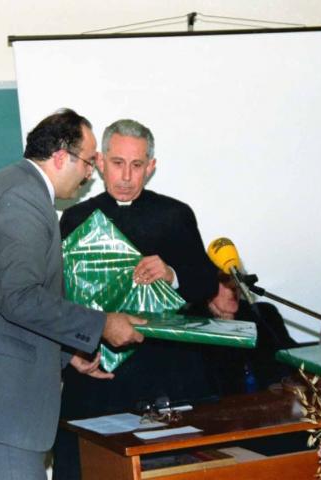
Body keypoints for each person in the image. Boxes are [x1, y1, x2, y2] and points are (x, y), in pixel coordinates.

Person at [0, 108, 145, 480]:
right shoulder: (23, 199)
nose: (91, 174)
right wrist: (102, 324)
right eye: (89, 162)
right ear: (61, 156)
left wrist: (64, 352)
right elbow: (20, 298)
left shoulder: (11, 186)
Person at [53, 118, 218, 480]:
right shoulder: (76, 218)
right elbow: (61, 299)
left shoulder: (176, 215)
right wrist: (75, 352)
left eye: (137, 165)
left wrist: (172, 273)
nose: (126, 176)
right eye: (117, 163)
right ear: (98, 162)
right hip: (102, 376)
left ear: (151, 167)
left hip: (165, 375)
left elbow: (206, 284)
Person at [190, 269, 298, 395]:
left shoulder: (264, 314)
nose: (233, 287)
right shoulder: (191, 322)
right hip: (220, 408)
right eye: (225, 281)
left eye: (237, 280)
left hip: (272, 403)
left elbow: (293, 357)